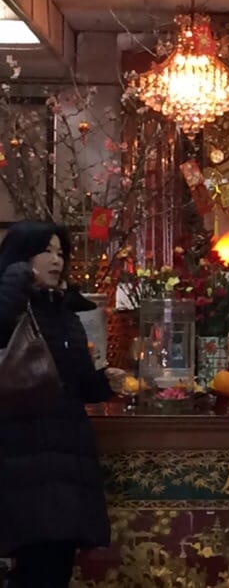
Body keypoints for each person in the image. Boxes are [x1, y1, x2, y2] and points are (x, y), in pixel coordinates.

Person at [0, 220, 125, 588]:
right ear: (23, 257)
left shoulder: (65, 311)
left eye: (60, 253)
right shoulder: (14, 305)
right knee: (34, 566)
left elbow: (78, 383)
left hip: (67, 457)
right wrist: (20, 275)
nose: (57, 260)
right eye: (47, 251)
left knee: (55, 567)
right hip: (24, 456)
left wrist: (104, 383)